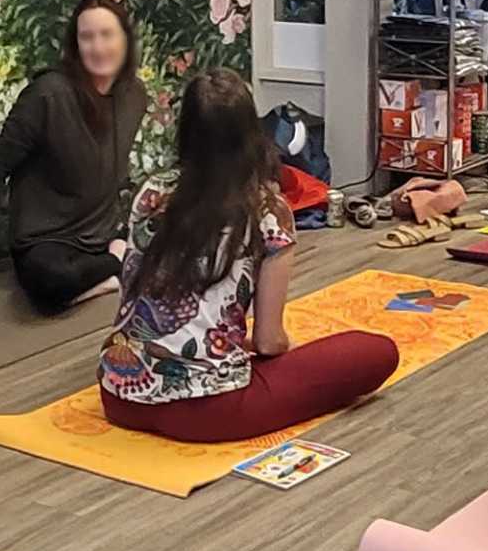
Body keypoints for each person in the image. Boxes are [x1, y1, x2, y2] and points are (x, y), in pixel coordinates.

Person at [98, 69, 398, 443]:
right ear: (250, 135)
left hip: (120, 396)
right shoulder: (267, 209)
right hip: (208, 410)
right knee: (377, 351)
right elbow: (270, 342)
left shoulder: (151, 191)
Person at [0, 0, 148, 311]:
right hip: (47, 241)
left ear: (125, 40)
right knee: (46, 282)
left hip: (102, 233)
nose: (98, 47)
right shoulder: (47, 94)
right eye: (87, 37)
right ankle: (117, 269)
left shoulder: (134, 95)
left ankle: (113, 262)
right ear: (75, 45)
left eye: (107, 35)